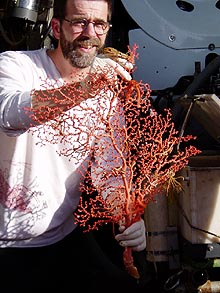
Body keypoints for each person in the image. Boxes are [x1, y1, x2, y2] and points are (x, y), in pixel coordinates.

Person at [0, 0, 147, 292]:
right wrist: (83, 88)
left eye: (99, 24)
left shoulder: (105, 95)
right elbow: (10, 115)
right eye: (79, 22)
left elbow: (110, 172)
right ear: (56, 28)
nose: (89, 33)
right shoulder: (16, 65)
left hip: (62, 236)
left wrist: (130, 216)